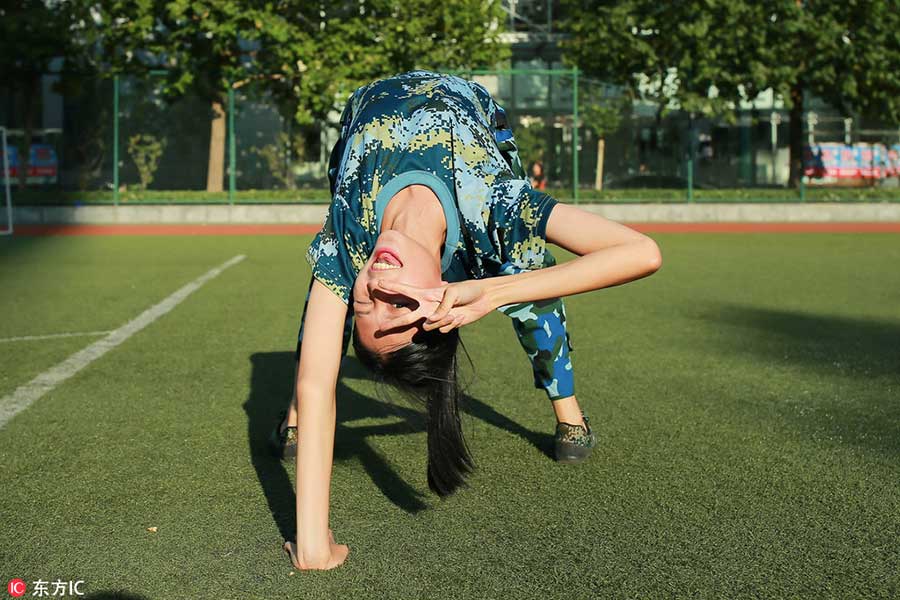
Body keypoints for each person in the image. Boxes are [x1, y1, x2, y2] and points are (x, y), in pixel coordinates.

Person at [279, 71, 662, 570]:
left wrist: (493, 290)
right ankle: (296, 422)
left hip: (367, 103)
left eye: (365, 306)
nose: (375, 289)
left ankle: (567, 414)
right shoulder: (494, 206)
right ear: (441, 302)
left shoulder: (352, 235)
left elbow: (317, 381)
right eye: (397, 306)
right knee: (526, 267)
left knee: (330, 298)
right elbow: (642, 253)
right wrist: (491, 289)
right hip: (470, 107)